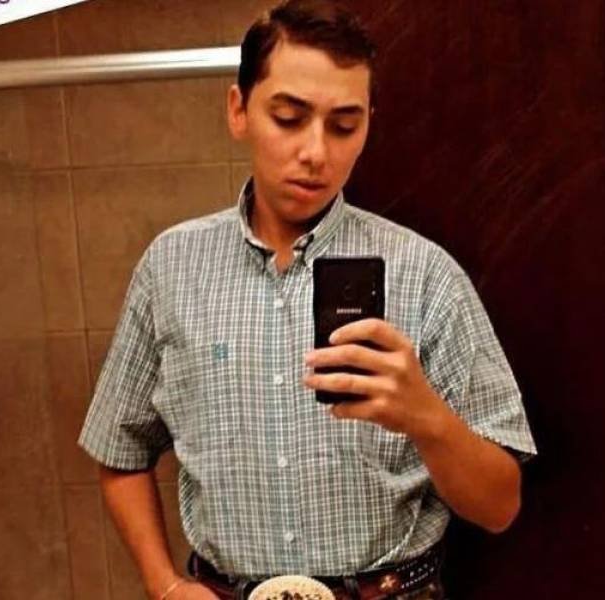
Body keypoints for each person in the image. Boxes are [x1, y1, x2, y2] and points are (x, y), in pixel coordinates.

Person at [78, 1, 537, 598]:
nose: (316, 152)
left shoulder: (426, 276)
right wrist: (164, 585)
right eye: (289, 118)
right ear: (239, 110)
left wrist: (426, 418)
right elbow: (119, 450)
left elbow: (500, 506)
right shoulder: (171, 268)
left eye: (344, 125)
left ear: (368, 125)